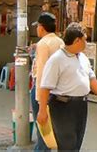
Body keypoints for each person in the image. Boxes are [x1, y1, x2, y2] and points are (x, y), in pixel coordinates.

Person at [37, 23, 97, 151]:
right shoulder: (57, 59)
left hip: (81, 105)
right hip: (63, 106)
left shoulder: (82, 57)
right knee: (67, 144)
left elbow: (91, 78)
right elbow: (45, 87)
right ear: (77, 40)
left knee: (77, 142)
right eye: (85, 39)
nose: (86, 42)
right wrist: (42, 109)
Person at [31, 12, 64, 151]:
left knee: (43, 131)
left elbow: (42, 74)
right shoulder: (60, 41)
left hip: (43, 92)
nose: (36, 29)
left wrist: (40, 102)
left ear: (42, 27)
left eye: (37, 26)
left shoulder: (43, 44)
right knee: (52, 130)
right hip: (57, 90)